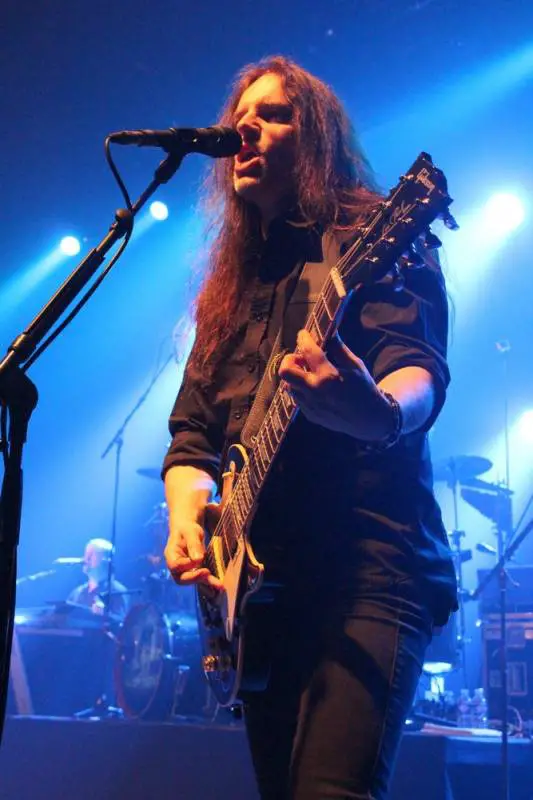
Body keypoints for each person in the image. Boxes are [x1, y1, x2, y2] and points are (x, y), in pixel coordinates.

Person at [162, 55, 458, 800]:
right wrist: (187, 518)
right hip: (264, 595)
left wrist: (377, 413)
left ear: (318, 137)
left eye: (273, 114)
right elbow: (193, 434)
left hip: (369, 572)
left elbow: (417, 369)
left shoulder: (371, 233)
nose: (246, 128)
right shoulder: (231, 288)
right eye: (241, 117)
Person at [68, 538, 129, 621]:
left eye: (90, 555)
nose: (85, 559)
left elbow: (121, 624)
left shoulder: (117, 592)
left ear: (105, 561)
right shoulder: (77, 592)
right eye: (85, 555)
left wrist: (104, 615)